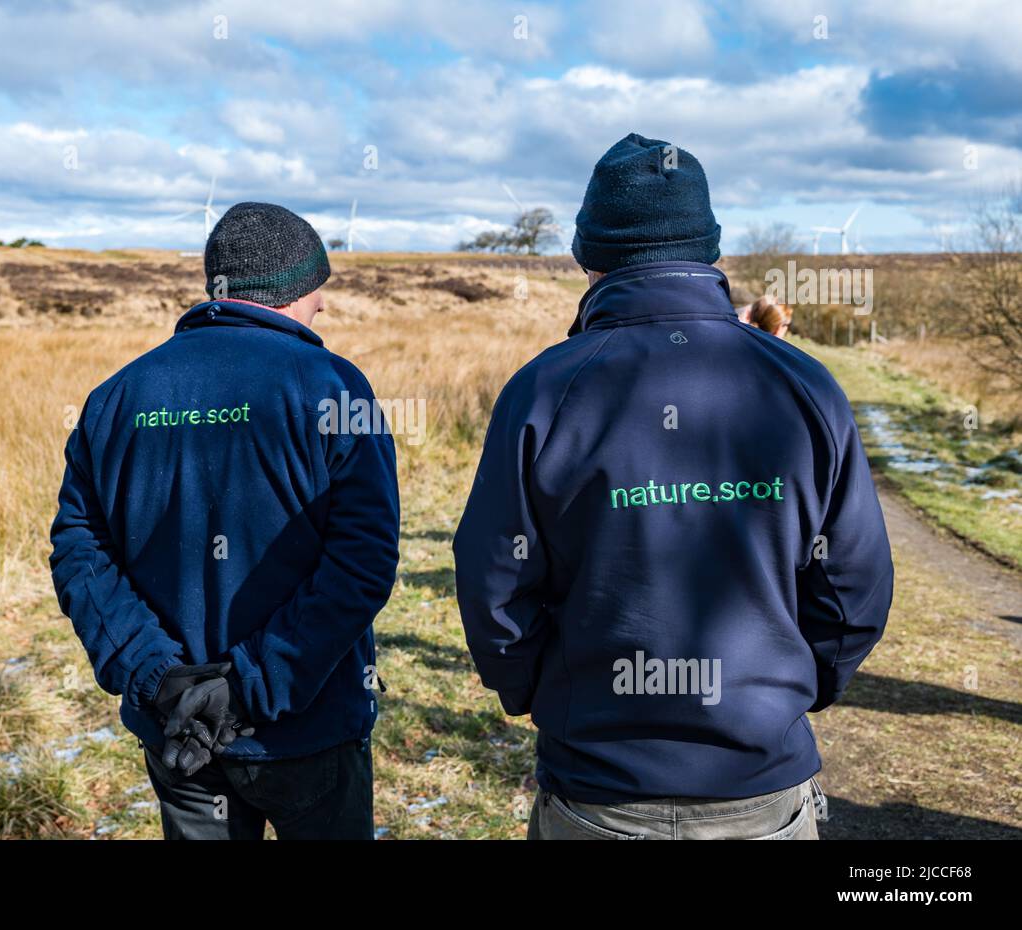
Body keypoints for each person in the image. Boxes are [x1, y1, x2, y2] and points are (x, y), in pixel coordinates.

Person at [453, 133, 893, 840]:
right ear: (708, 247)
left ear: (588, 255)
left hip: (595, 791)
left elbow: (492, 581)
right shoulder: (805, 387)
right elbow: (854, 585)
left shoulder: (543, 391)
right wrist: (791, 687)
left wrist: (540, 693)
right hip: (762, 788)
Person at [50, 202, 399, 840]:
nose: (322, 305)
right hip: (309, 727)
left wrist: (155, 676)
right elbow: (364, 560)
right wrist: (248, 686)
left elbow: (81, 552)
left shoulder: (115, 396)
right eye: (318, 287)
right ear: (295, 287)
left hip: (178, 729)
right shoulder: (336, 388)